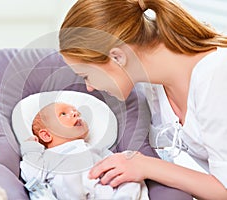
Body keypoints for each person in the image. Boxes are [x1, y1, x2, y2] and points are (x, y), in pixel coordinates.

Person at [58, 0, 227, 199]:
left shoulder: (215, 76)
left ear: (117, 57)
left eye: (86, 75)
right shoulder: (153, 85)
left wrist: (146, 165)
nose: (89, 87)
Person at [19, 102, 149, 200]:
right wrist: (31, 147)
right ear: (47, 135)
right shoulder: (47, 156)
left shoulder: (94, 148)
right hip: (68, 189)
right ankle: (74, 191)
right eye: (63, 114)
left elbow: (114, 162)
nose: (75, 113)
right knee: (62, 179)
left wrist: (127, 158)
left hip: (102, 188)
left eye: (76, 112)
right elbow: (32, 175)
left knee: (131, 175)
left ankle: (125, 197)